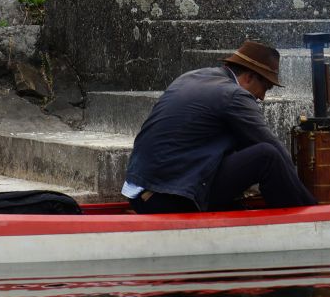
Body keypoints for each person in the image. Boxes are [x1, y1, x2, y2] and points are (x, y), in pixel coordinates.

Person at [121, 40, 317, 214]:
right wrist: (311, 204)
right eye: (265, 87)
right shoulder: (234, 95)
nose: (262, 97)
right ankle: (306, 221)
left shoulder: (191, 77)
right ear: (249, 77)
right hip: (168, 198)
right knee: (267, 156)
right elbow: (272, 147)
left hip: (142, 194)